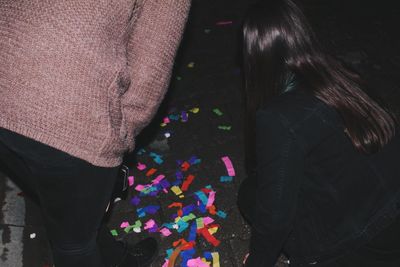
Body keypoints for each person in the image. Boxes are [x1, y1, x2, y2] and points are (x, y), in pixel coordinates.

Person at [0, 0, 191, 266]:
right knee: (73, 244)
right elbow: (149, 75)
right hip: (69, 118)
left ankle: (115, 257)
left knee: (71, 211)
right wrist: (115, 139)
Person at [237, 0, 400, 266]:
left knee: (251, 194)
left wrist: (258, 261)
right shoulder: (340, 73)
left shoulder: (277, 117)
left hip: (367, 242)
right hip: (392, 214)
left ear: (255, 55)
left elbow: (275, 216)